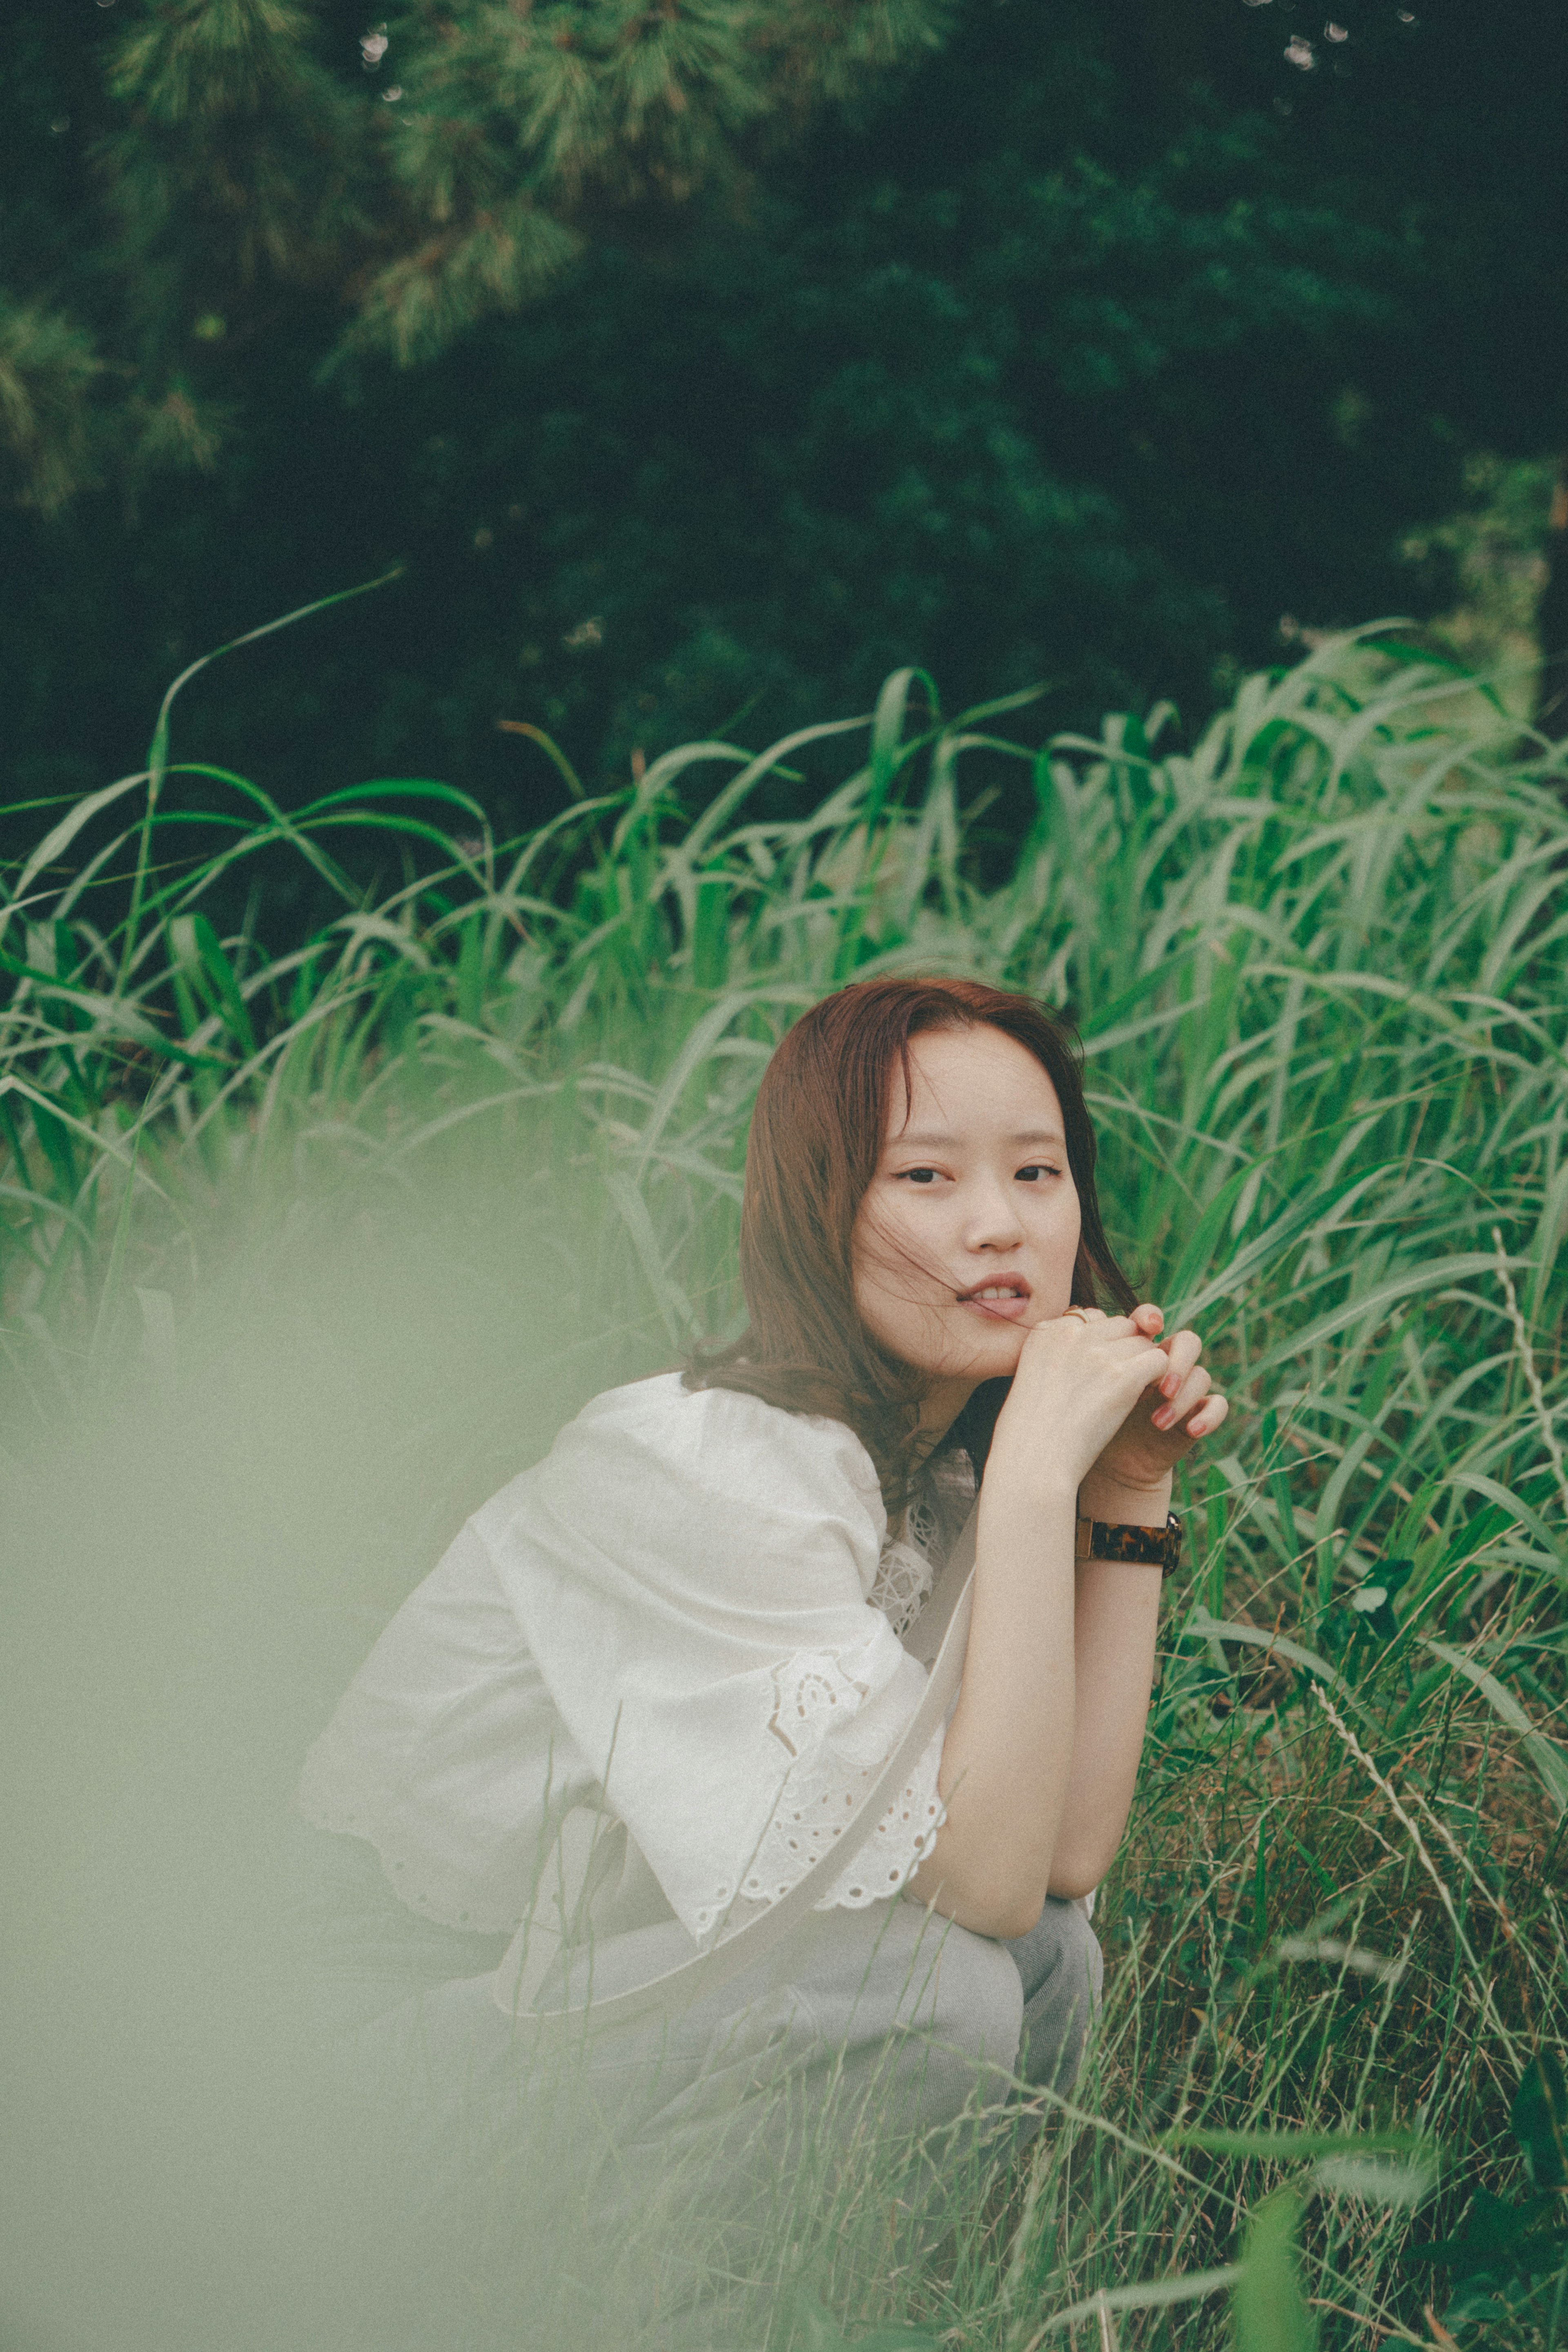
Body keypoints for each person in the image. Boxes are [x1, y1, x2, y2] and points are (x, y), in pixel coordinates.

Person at [289, 975, 1228, 2341]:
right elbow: (981, 1881)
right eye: (925, 1174)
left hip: (598, 2008)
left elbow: (1056, 1867)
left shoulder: (941, 1479)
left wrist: (1128, 1494)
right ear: (816, 1205)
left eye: (1039, 1171)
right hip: (352, 2065)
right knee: (939, 1996)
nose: (1000, 1223)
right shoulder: (695, 1463)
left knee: (1049, 1963)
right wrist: (1040, 1485)